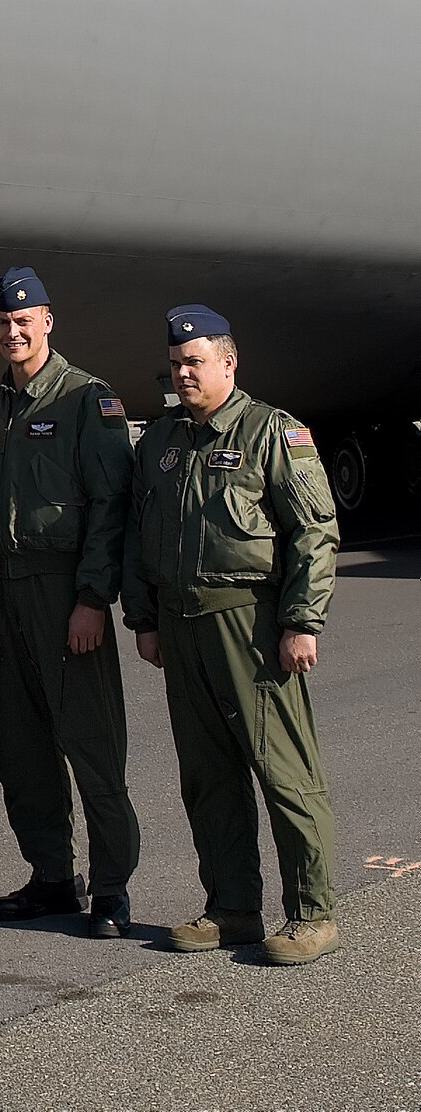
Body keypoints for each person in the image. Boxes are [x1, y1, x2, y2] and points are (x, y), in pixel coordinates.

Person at [123, 306, 341, 965]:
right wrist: (144, 619)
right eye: (176, 363)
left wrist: (301, 620)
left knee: (283, 772)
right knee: (207, 775)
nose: (184, 372)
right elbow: (138, 535)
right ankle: (232, 908)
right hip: (181, 625)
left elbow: (314, 532)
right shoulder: (160, 443)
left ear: (229, 361)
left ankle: (312, 913)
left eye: (196, 360)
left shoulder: (272, 432)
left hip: (248, 621)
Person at [0, 265, 140, 939]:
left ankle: (113, 888)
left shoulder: (86, 401)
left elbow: (110, 506)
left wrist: (94, 599)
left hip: (67, 591)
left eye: (24, 320)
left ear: (47, 321)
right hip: (6, 596)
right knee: (22, 750)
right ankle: (51, 878)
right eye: (3, 323)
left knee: (91, 745)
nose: (13, 331)